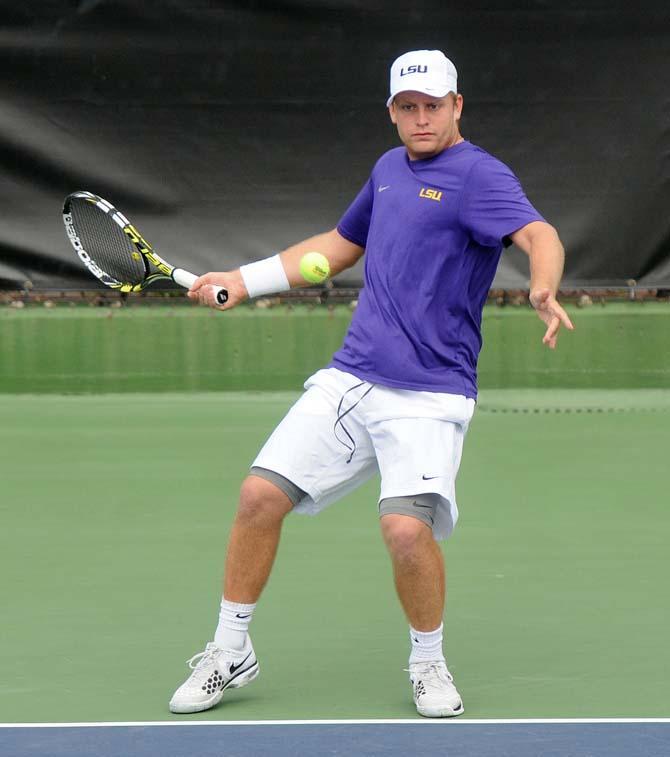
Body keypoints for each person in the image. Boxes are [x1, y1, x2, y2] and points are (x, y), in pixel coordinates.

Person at [169, 49, 573, 718]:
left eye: (433, 106)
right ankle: (229, 648)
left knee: (406, 533)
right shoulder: (388, 171)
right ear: (392, 112)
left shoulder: (479, 176)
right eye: (407, 107)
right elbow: (338, 244)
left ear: (457, 106)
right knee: (257, 496)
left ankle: (428, 661)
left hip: (431, 393)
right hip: (352, 378)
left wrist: (543, 285)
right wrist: (243, 280)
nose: (420, 118)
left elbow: (539, 232)